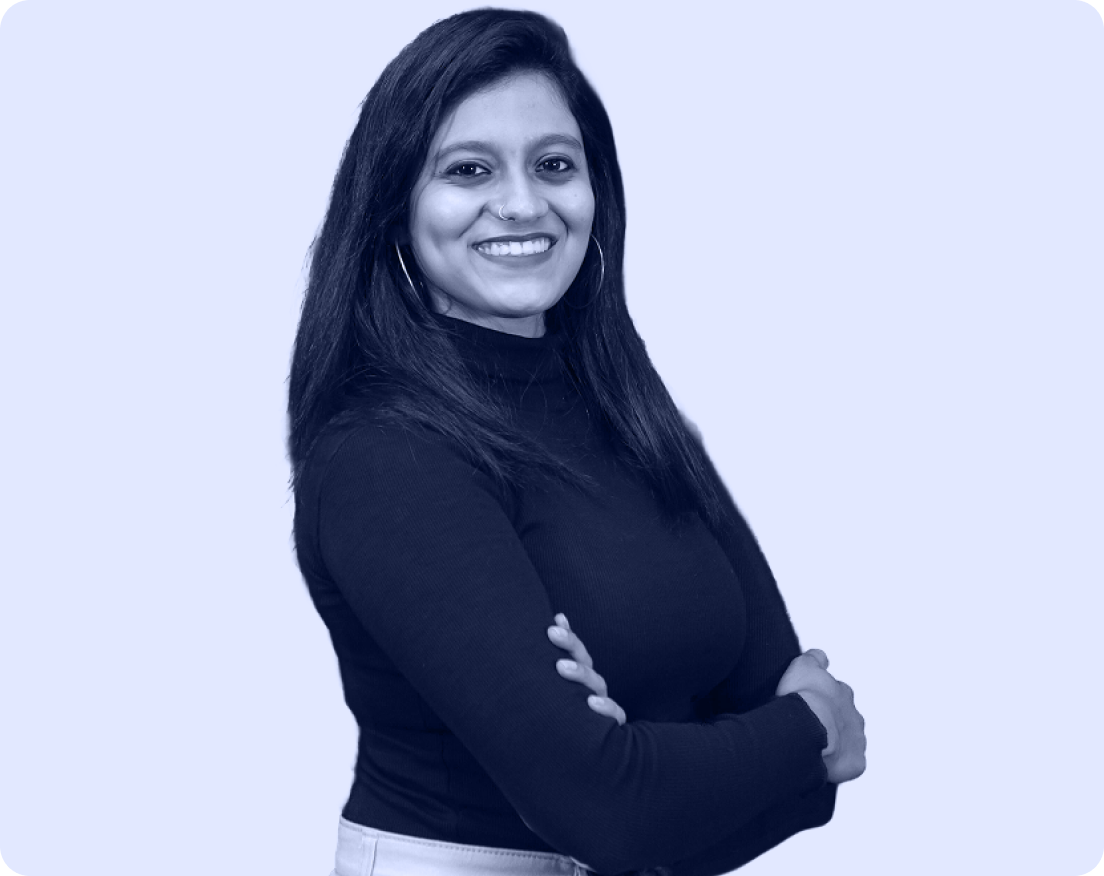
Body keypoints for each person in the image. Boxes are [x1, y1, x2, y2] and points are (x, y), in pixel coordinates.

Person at [286, 8, 866, 876]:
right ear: (396, 205)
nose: (524, 203)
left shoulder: (628, 406)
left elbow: (796, 788)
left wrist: (654, 766)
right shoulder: (383, 455)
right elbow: (613, 811)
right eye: (469, 169)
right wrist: (804, 729)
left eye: (554, 164)